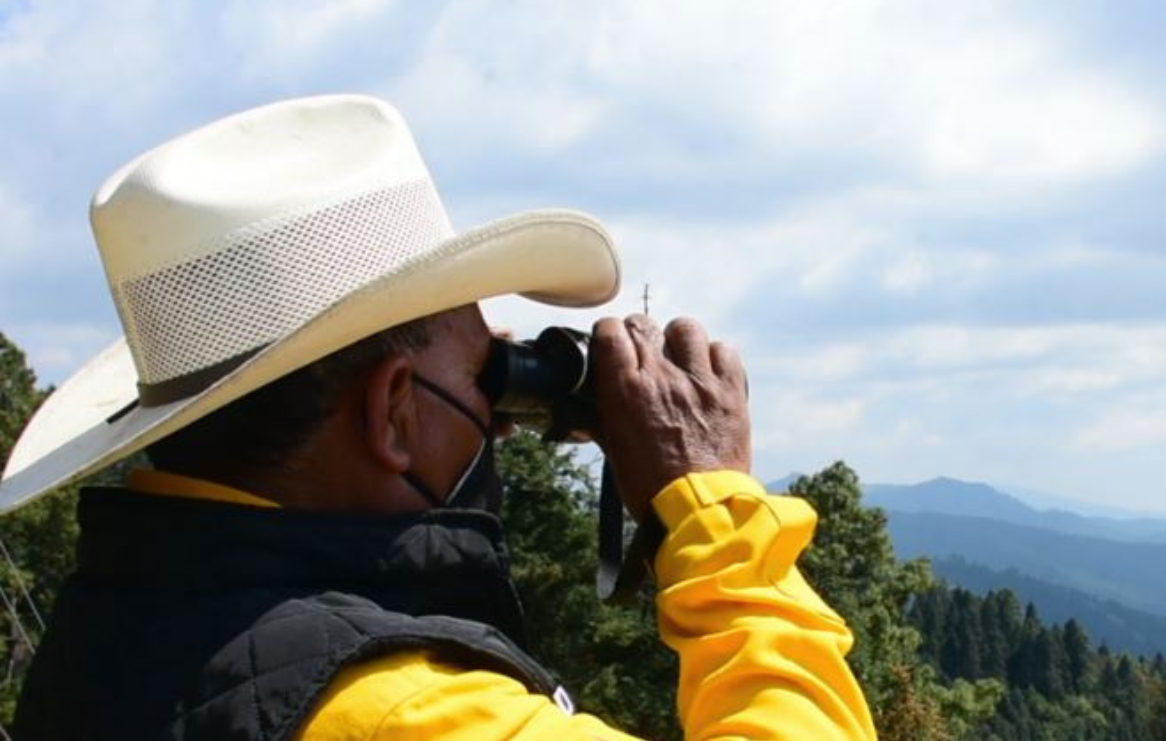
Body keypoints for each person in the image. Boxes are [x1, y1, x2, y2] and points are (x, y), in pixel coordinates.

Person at [0, 95, 876, 740]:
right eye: (479, 369)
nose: (495, 420)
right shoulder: (400, 712)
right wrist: (713, 509)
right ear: (390, 411)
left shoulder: (111, 630)